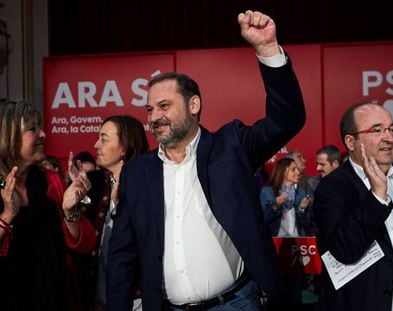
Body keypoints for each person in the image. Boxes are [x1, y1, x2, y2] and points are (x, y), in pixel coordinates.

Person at [107, 9, 306, 311]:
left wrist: (267, 51)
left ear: (194, 104)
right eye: (149, 110)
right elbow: (122, 252)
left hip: (238, 304)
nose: (155, 117)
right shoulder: (137, 172)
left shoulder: (231, 147)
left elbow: (286, 120)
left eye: (164, 105)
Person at [313, 101, 393, 311]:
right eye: (376, 130)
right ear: (351, 141)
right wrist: (377, 196)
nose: (388, 137)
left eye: (391, 129)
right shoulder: (333, 187)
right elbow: (344, 250)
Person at [0, 100, 95, 311]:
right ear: (9, 137)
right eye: (32, 129)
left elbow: (84, 243)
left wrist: (70, 210)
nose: (43, 134)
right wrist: (7, 216)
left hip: (54, 297)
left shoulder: (51, 181)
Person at [66, 115, 149, 311]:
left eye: (104, 139)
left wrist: (119, 205)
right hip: (96, 297)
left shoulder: (148, 183)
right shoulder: (92, 182)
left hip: (136, 300)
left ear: (124, 148)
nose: (96, 144)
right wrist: (71, 209)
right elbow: (80, 240)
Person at [260, 157, 312, 237]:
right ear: (283, 171)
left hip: (297, 242)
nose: (298, 172)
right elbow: (263, 221)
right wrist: (275, 205)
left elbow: (306, 224)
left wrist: (302, 208)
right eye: (293, 169)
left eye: (297, 169)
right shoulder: (268, 192)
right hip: (276, 242)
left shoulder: (301, 192)